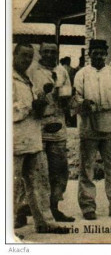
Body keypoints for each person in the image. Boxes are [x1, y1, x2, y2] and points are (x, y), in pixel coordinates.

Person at [72, 39, 111, 221]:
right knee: (87, 168)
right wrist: (83, 103)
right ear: (89, 54)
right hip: (89, 126)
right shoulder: (81, 74)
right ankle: (88, 206)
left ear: (106, 54)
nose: (98, 56)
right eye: (95, 52)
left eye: (102, 53)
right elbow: (76, 98)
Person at [13, 43, 71, 234]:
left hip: (34, 137)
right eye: (23, 56)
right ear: (13, 55)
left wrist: (41, 102)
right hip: (14, 141)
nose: (27, 60)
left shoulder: (27, 78)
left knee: (40, 182)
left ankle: (45, 221)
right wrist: (31, 105)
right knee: (12, 184)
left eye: (29, 56)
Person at [27, 42, 73, 221]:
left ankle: (54, 206)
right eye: (45, 51)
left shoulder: (62, 70)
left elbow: (67, 95)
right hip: (37, 124)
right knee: (35, 170)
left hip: (57, 123)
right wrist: (41, 95)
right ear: (40, 52)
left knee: (59, 168)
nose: (49, 55)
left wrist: (66, 98)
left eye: (53, 52)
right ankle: (24, 209)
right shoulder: (32, 70)